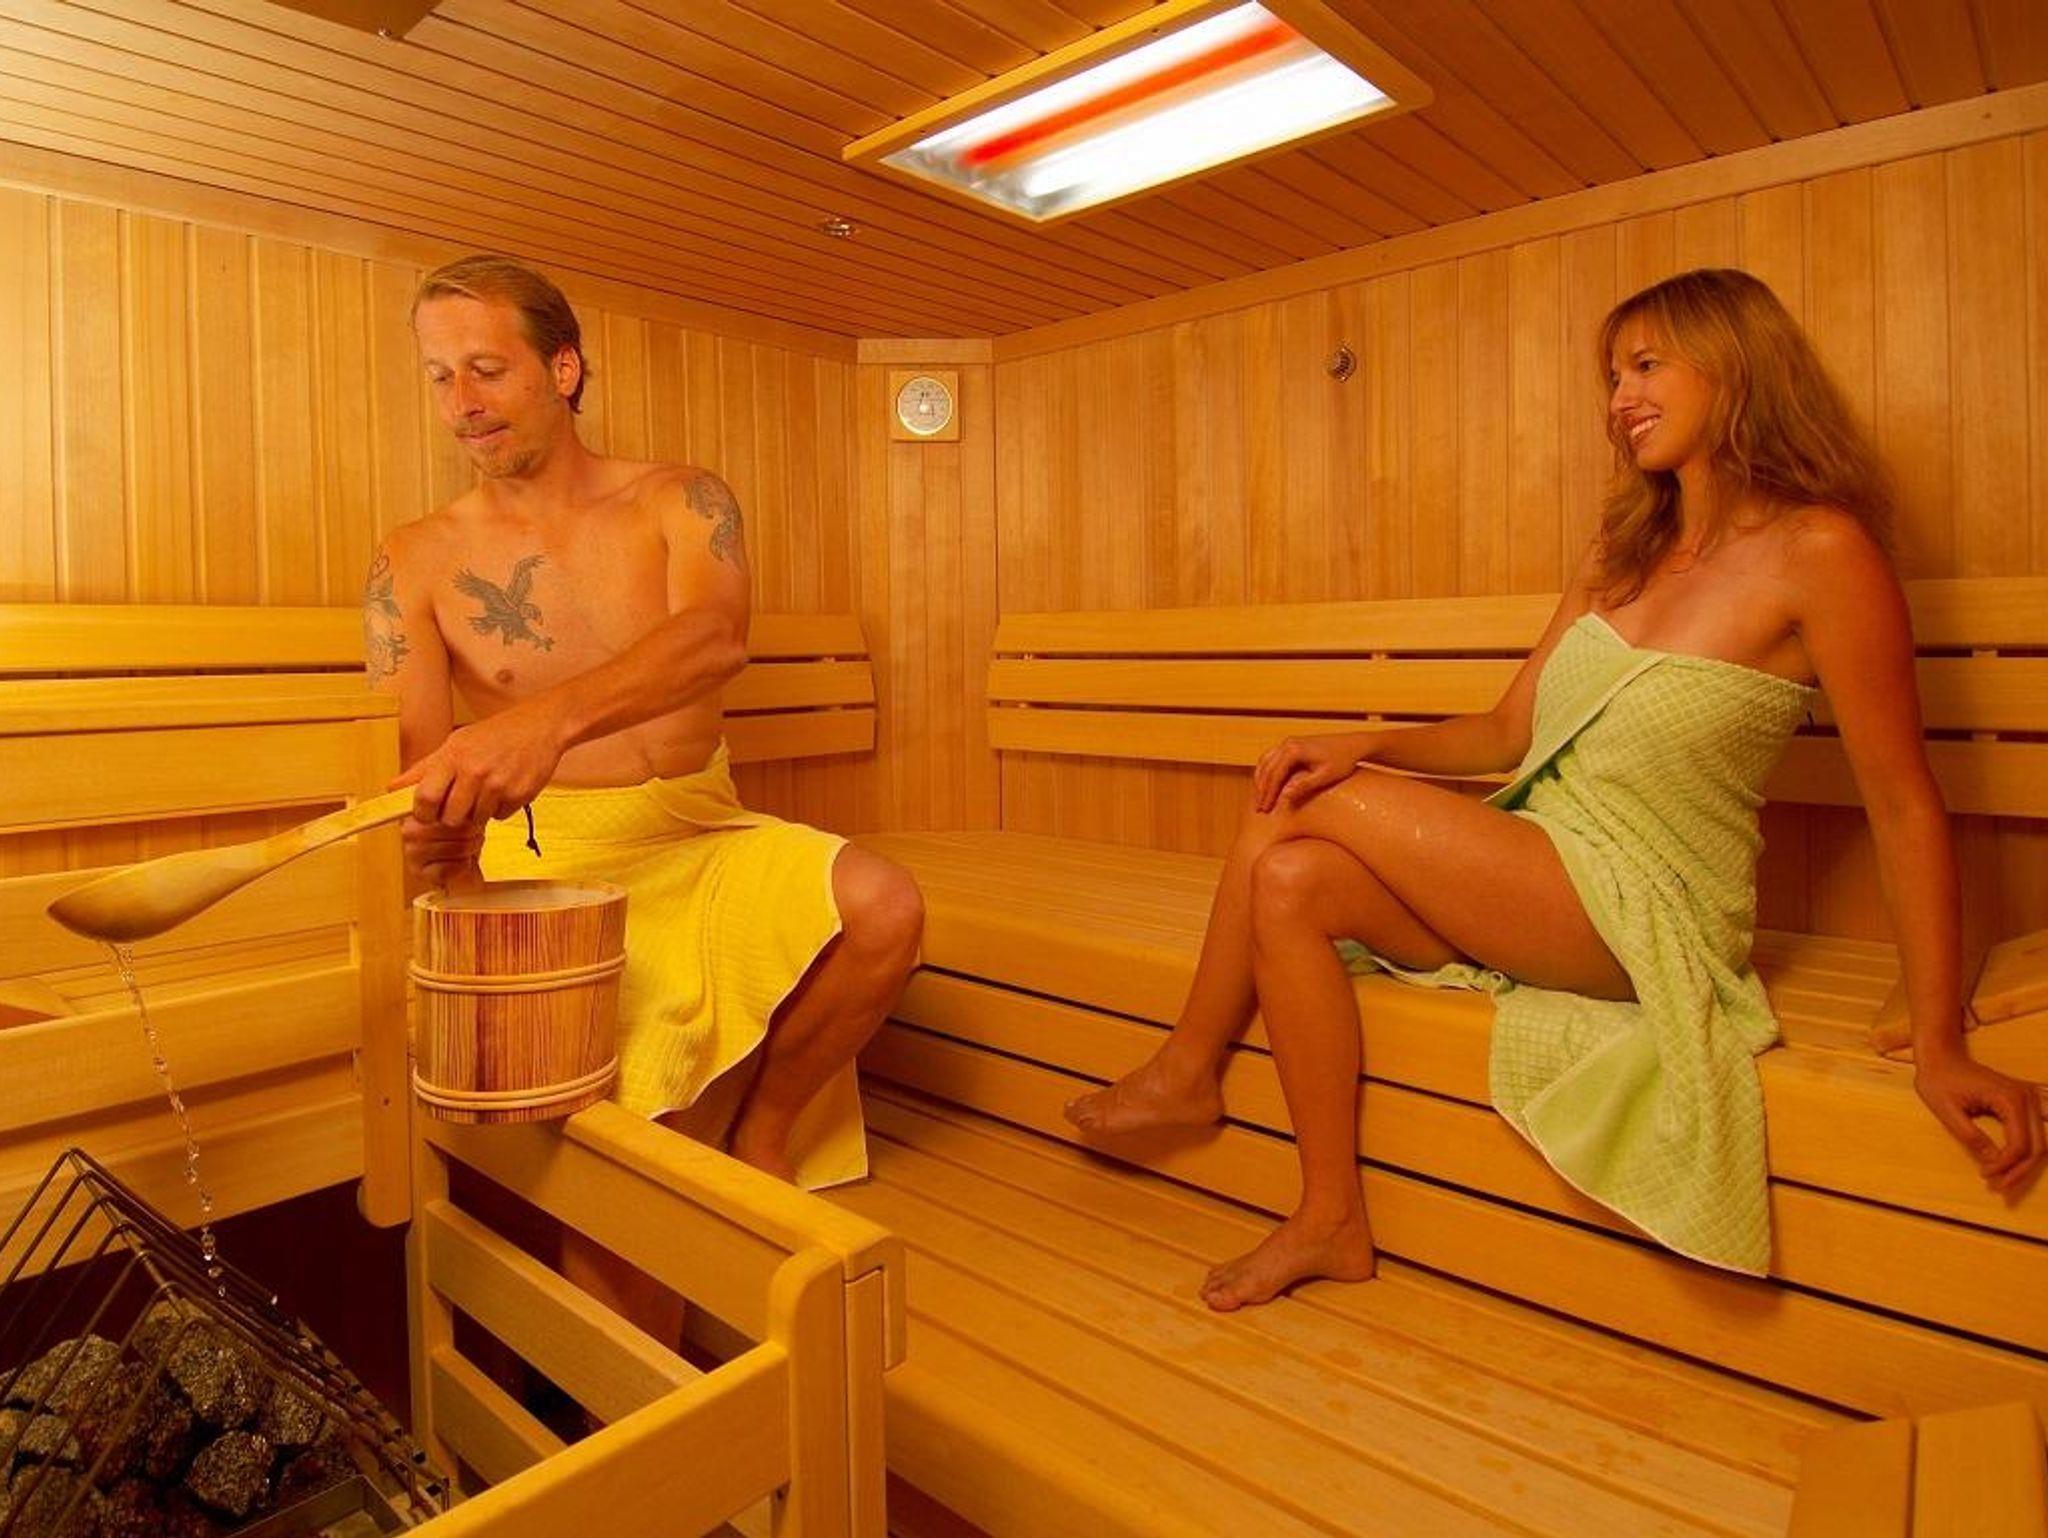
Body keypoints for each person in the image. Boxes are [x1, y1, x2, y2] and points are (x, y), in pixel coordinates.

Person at [1065, 267, 2045, 1312]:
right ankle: (1329, 1217)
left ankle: (1186, 1067)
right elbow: (1507, 733)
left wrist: (1939, 1042)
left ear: (1736, 363)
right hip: (1543, 870)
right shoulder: (1621, 553)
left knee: (1297, 804)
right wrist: (1367, 740)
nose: (1620, 398)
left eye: (1646, 365)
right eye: (1612, 376)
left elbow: (1901, 801)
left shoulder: (1820, 553)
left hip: (1649, 908)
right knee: (1291, 879)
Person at [365, 253, 922, 1326]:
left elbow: (714, 639)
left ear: (562, 368)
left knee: (885, 905)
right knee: (646, 1139)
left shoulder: (678, 498)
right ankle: (637, 1396)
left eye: (486, 368)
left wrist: (543, 718)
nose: (461, 402)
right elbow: (420, 763)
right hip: (553, 858)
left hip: (702, 826)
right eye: (439, 376)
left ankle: (765, 1136)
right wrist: (442, 853)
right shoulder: (416, 560)